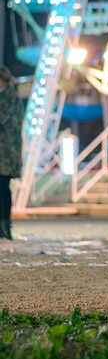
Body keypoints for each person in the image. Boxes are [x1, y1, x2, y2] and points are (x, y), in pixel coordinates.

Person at [0, 65, 23, 240]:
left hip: (6, 152)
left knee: (3, 189)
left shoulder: (11, 98)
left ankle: (5, 225)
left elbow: (6, 119)